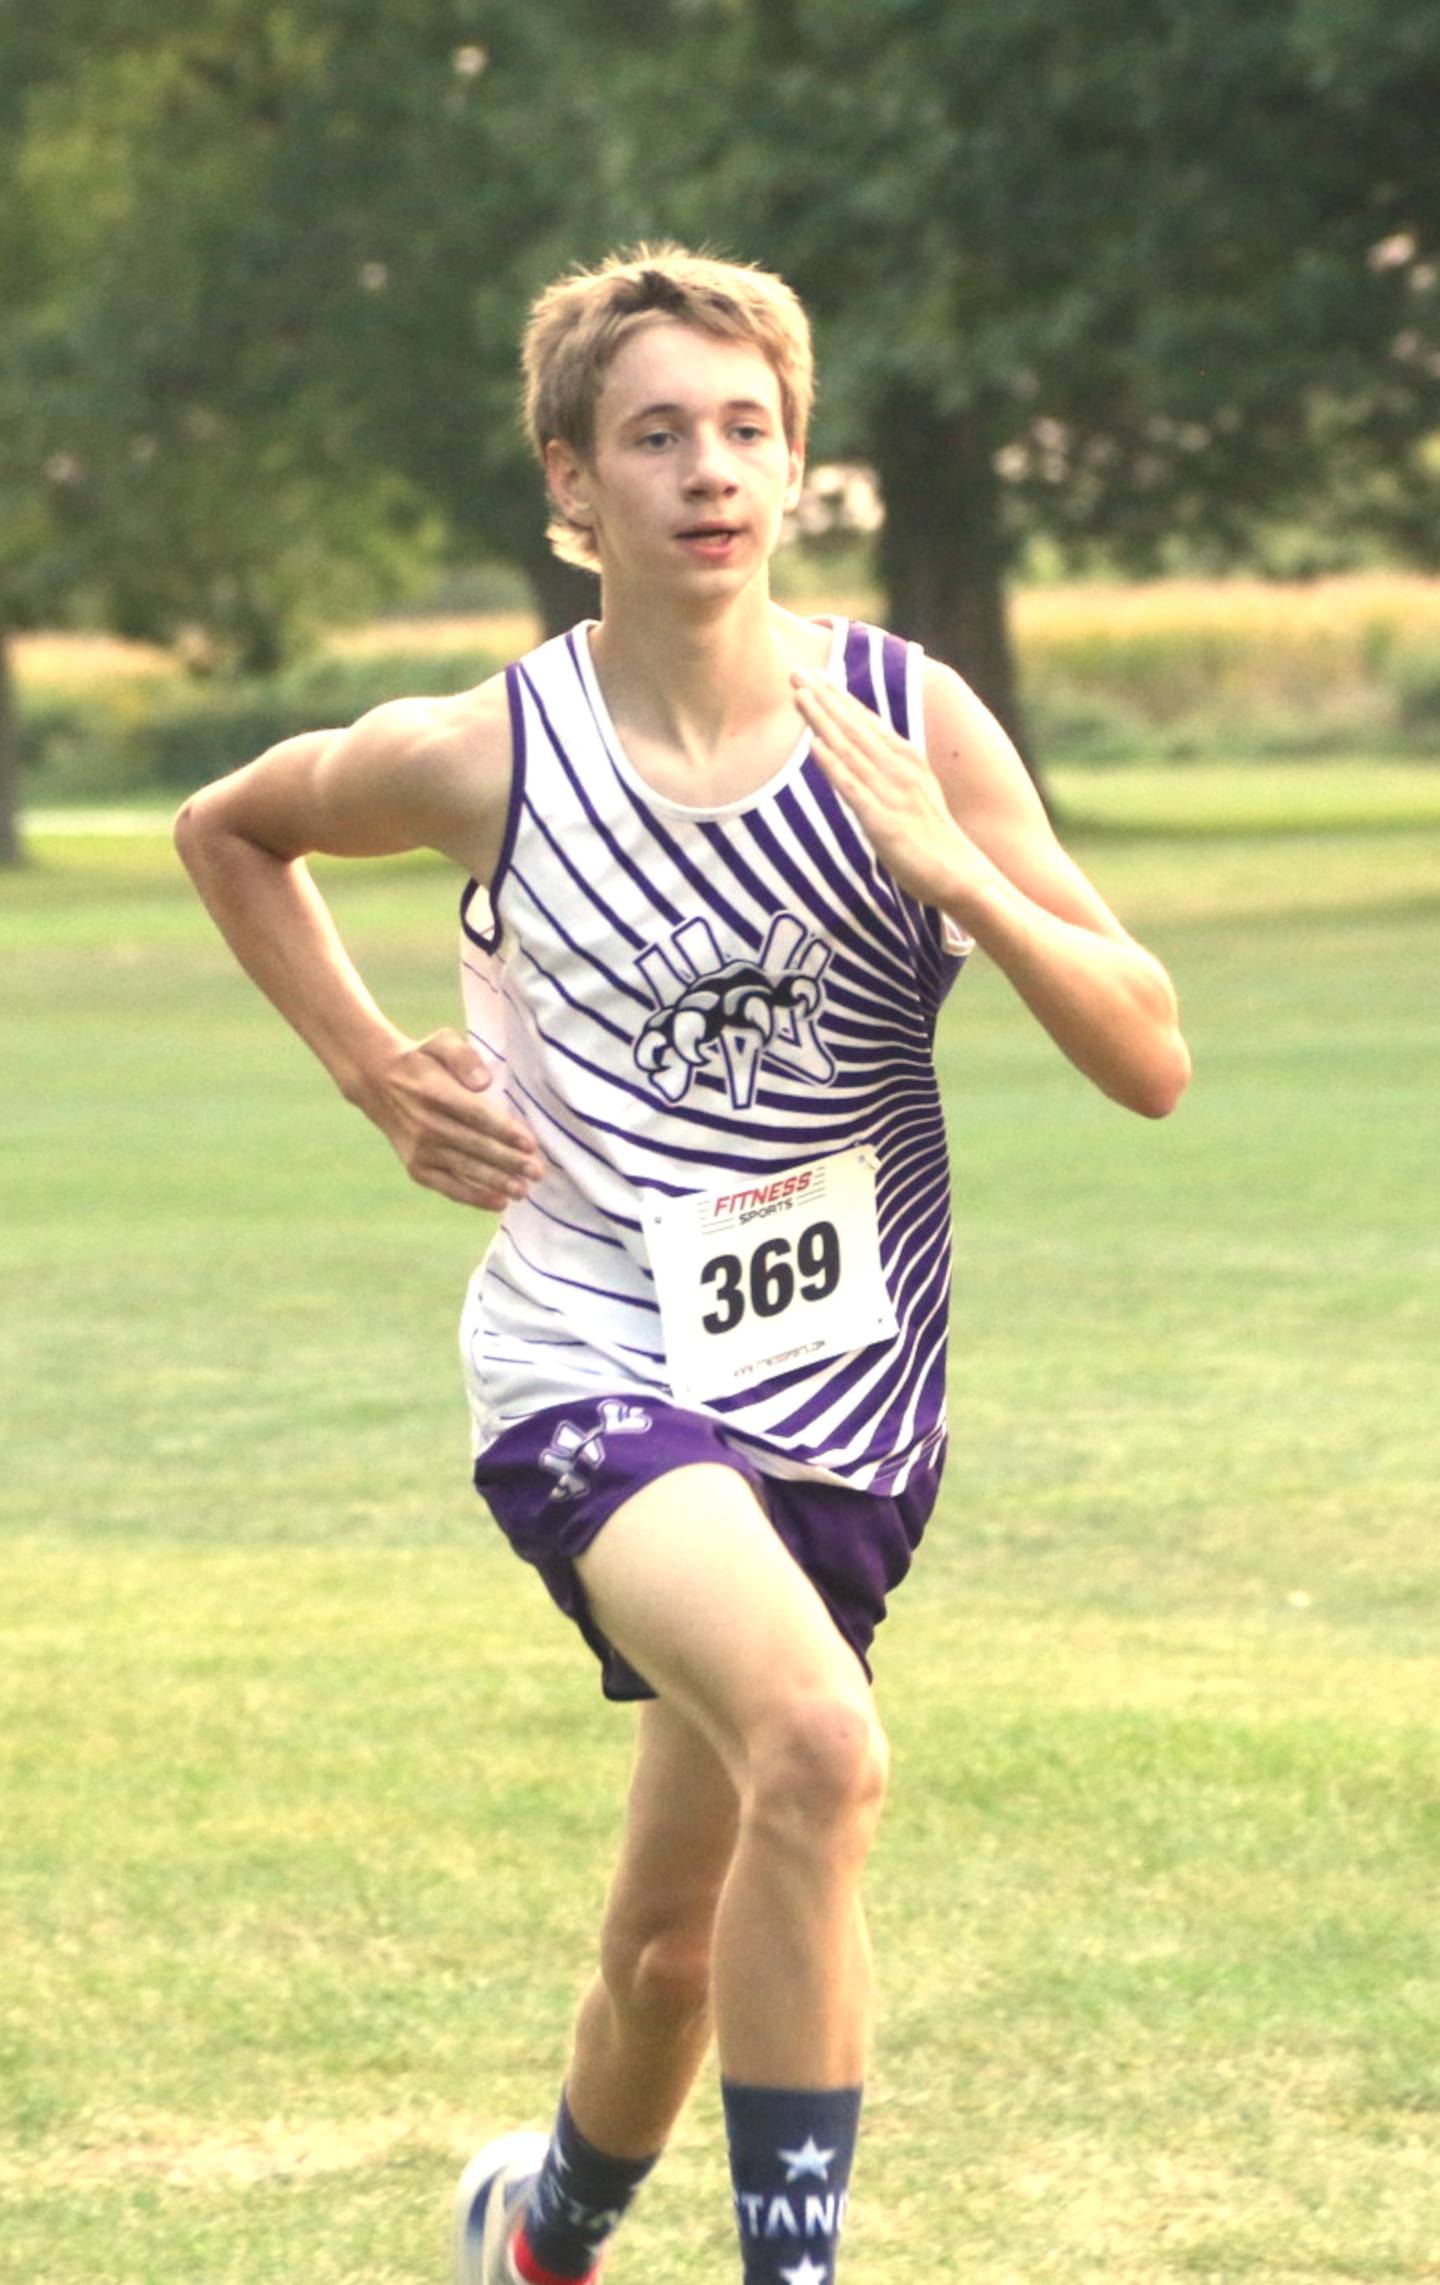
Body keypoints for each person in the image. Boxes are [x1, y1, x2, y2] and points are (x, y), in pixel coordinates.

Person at [175, 242, 1190, 2285]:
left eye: (747, 431)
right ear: (575, 486)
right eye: (657, 436)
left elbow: (1151, 1055)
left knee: (663, 1950)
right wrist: (383, 1076)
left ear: (799, 469)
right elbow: (228, 828)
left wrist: (953, 865)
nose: (708, 471)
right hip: (589, 1351)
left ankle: (540, 2229)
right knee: (823, 1746)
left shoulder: (909, 721)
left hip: (847, 1388)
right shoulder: (486, 756)